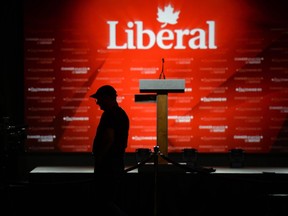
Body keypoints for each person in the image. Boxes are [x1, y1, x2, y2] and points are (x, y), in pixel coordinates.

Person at [90, 85, 129, 215]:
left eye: (99, 99)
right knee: (112, 199)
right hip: (116, 163)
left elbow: (108, 139)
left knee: (105, 200)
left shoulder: (109, 115)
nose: (97, 102)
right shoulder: (121, 113)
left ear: (107, 98)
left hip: (108, 165)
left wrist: (100, 157)